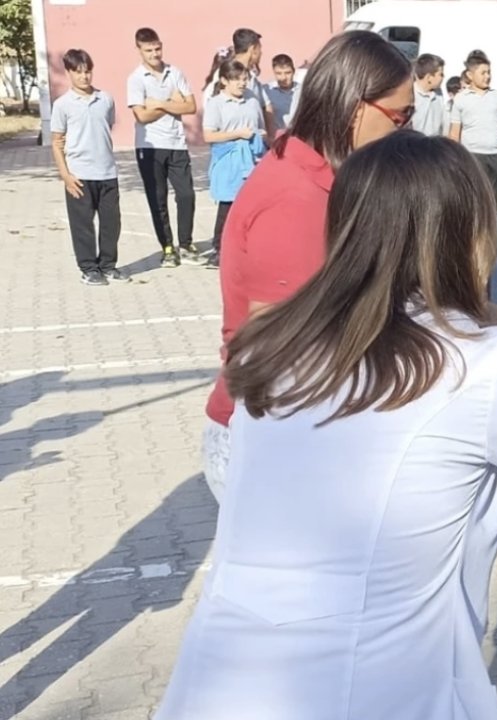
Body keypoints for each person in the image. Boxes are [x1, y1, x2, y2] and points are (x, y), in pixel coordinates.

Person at [158, 130, 497, 720]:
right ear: (469, 238)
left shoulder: (274, 340)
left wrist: (465, 317)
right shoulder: (480, 365)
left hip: (223, 678)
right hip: (375, 684)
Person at [201, 31, 414, 503]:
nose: (406, 131)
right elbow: (277, 354)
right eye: (401, 116)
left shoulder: (319, 172)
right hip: (274, 439)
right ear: (355, 107)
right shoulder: (296, 201)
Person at [51, 49, 123, 286]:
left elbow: (107, 126)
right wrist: (65, 175)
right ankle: (89, 269)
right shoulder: (63, 105)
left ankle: (108, 265)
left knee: (111, 223)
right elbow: (57, 141)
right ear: (70, 73)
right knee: (83, 226)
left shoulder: (105, 99)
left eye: (88, 71)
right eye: (79, 72)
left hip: (107, 172)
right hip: (79, 175)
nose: (84, 77)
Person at [126, 27, 197, 268]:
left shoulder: (175, 72)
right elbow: (142, 117)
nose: (155, 54)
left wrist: (158, 103)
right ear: (139, 50)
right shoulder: (135, 79)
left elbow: (190, 107)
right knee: (158, 199)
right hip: (150, 147)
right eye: (149, 50)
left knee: (186, 194)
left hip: (177, 143)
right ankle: (167, 247)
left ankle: (186, 243)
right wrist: (172, 103)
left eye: (158, 48)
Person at [202, 59, 267, 271]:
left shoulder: (252, 101)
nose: (242, 84)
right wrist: (237, 134)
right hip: (228, 158)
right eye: (237, 80)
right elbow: (209, 135)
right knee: (228, 204)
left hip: (251, 158)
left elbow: (261, 128)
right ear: (224, 81)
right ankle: (219, 248)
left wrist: (259, 137)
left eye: (244, 79)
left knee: (251, 204)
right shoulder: (216, 104)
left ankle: (248, 246)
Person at [450, 50, 497, 211]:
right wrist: (454, 157)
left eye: (489, 72)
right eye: (483, 73)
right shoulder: (460, 99)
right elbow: (454, 133)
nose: (487, 76)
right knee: (476, 200)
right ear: (470, 75)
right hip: (473, 155)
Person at [203, 29, 275, 137]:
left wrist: (270, 137)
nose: (261, 53)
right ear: (253, 49)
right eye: (260, 49)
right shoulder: (224, 74)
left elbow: (267, 107)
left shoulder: (252, 76)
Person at [411, 53, 447, 137]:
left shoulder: (438, 94)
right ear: (429, 77)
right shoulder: (411, 94)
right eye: (440, 74)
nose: (443, 77)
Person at [265, 54, 299, 129]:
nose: (283, 78)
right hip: (277, 137)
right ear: (274, 72)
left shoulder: (302, 90)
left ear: (293, 71)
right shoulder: (267, 91)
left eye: (287, 73)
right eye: (279, 73)